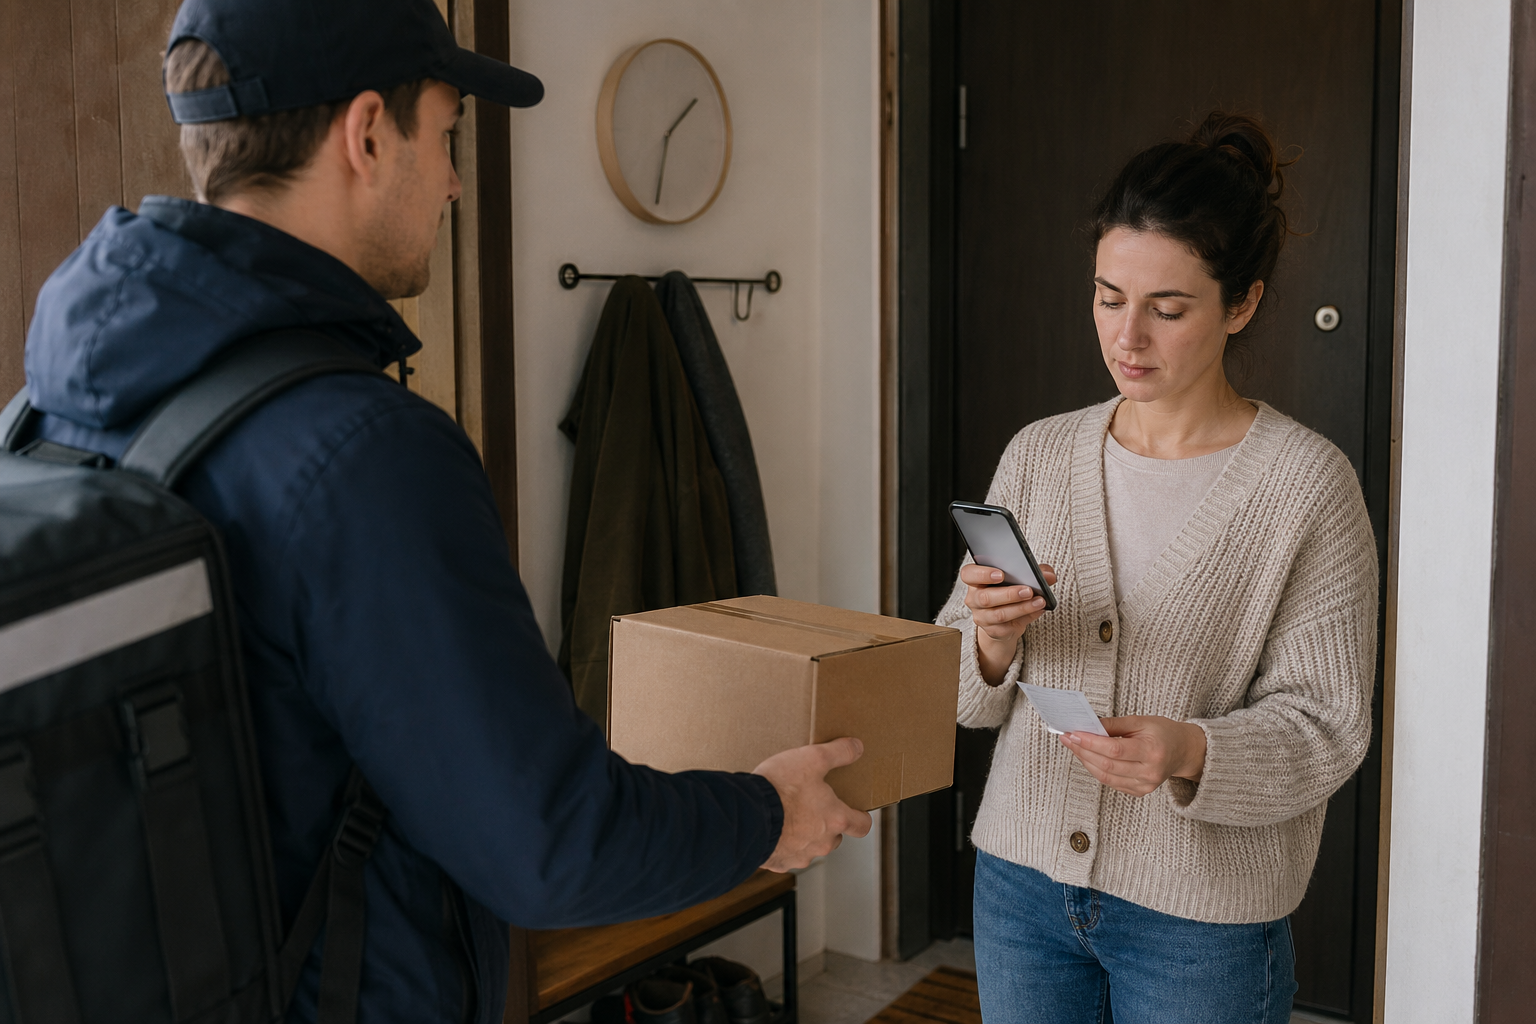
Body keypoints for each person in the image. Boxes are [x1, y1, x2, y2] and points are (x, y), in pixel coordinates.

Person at [19, 0, 870, 1020]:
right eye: (449, 132)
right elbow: (551, 844)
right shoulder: (361, 447)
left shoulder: (53, 401)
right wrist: (766, 813)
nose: (457, 182)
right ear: (368, 133)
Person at [938, 111, 1378, 1023]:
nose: (1126, 337)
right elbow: (960, 693)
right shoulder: (1039, 453)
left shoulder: (1307, 486)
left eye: (1167, 309)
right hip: (1020, 882)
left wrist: (1191, 751)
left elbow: (1328, 727)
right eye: (1107, 296)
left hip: (1202, 916)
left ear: (1243, 304)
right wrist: (984, 641)